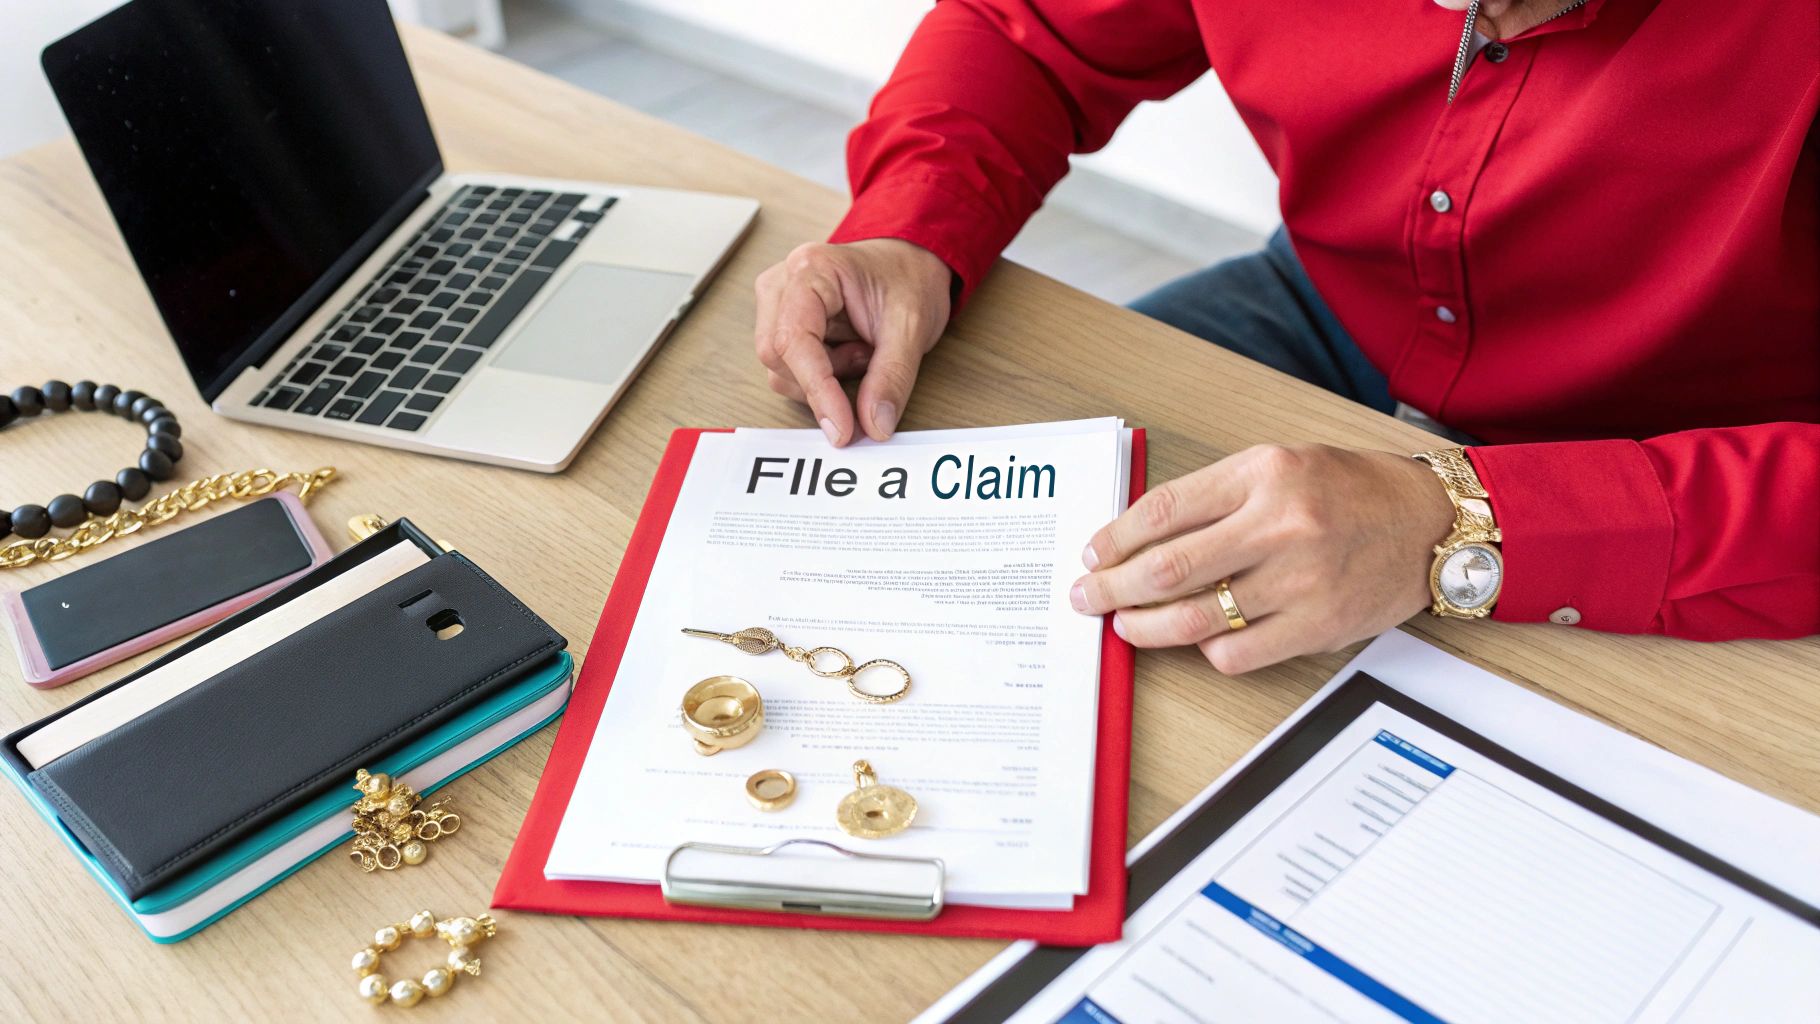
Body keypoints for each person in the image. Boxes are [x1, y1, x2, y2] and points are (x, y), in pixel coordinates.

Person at [751, 0, 1820, 673]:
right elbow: (1026, 32)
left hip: (1697, 454)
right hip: (1329, 304)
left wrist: (1462, 524)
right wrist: (907, 227)